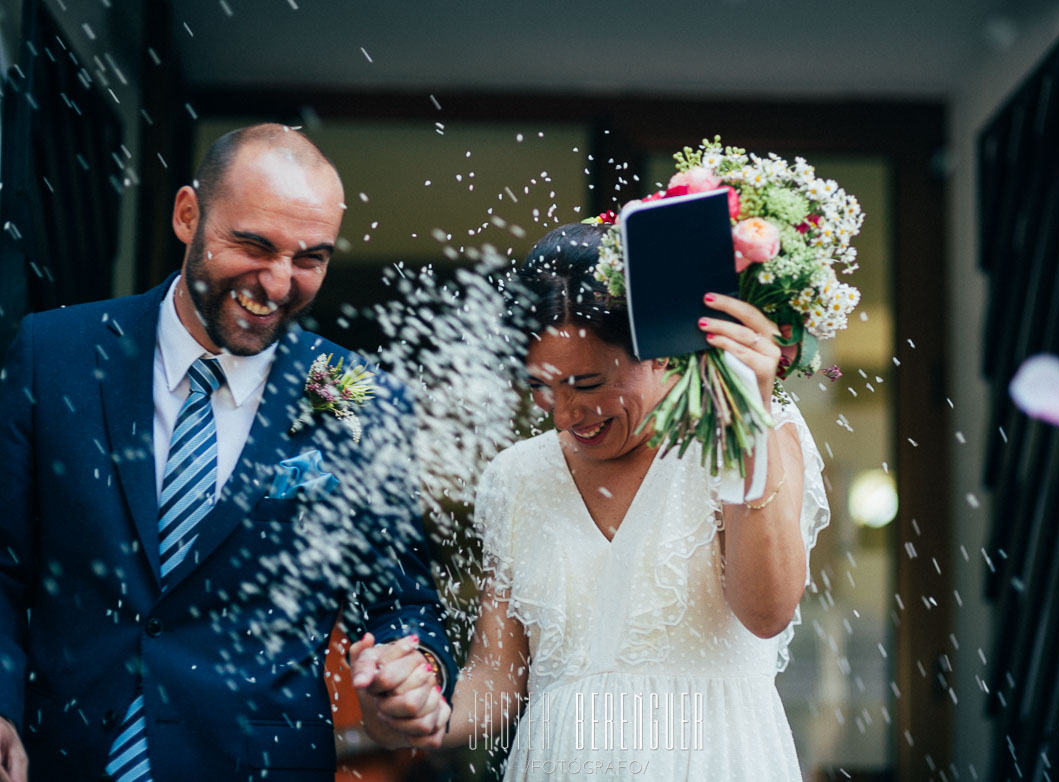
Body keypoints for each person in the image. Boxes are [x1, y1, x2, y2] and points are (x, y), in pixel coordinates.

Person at [0, 124, 455, 781]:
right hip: (59, 757)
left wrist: (416, 675)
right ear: (189, 214)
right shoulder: (54, 353)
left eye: (310, 258)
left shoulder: (358, 398)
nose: (276, 283)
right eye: (253, 244)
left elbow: (399, 602)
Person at [357, 222, 830, 779]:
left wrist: (745, 428)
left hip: (714, 758)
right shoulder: (518, 477)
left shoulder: (751, 433)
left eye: (585, 384)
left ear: (659, 346)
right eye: (542, 386)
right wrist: (416, 712)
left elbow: (767, 612)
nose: (562, 414)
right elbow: (498, 678)